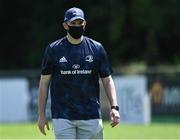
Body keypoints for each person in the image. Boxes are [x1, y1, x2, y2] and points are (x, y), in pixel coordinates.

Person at [38, 7, 120, 139]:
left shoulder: (96, 49)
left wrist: (114, 107)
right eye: (73, 23)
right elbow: (44, 83)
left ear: (85, 24)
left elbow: (107, 79)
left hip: (91, 116)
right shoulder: (54, 50)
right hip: (62, 116)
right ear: (65, 25)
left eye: (80, 23)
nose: (77, 26)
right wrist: (41, 115)